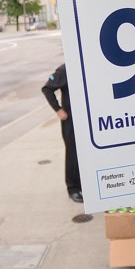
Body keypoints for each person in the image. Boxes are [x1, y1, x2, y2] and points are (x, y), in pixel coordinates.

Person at [41, 64, 83, 203]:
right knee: (73, 154)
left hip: (88, 119)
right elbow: (47, 88)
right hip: (71, 119)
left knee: (86, 154)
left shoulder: (88, 64)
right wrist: (58, 109)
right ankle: (73, 188)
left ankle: (85, 184)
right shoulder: (65, 70)